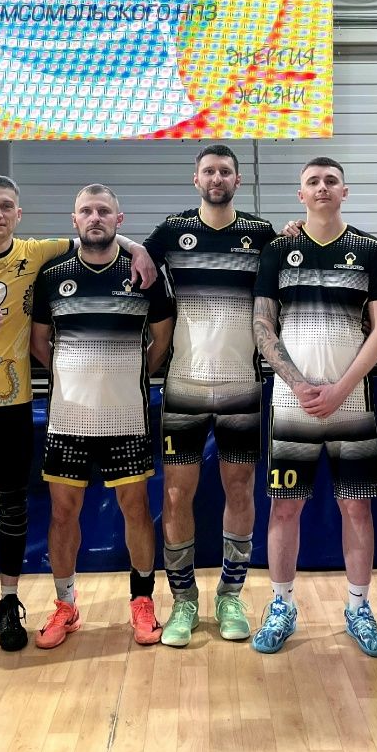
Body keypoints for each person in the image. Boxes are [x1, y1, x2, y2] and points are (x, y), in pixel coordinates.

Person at [0, 175, 155, 653]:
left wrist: (137, 247)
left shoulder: (37, 254)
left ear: (18, 214)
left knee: (17, 510)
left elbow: (96, 237)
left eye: (6, 206)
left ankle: (15, 603)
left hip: (18, 408)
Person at [250, 157, 377, 657]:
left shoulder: (370, 250)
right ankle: (281, 605)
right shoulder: (278, 249)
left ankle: (358, 607)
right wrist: (297, 384)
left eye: (331, 180)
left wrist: (340, 388)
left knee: (356, 506)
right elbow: (262, 325)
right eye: (312, 181)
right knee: (284, 506)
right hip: (292, 404)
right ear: (301, 194)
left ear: (344, 191)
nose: (322, 187)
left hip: (351, 402)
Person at [28, 184, 175, 649]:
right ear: (74, 221)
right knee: (62, 513)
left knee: (136, 509)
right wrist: (72, 375)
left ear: (119, 220)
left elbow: (162, 337)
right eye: (87, 211)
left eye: (104, 211)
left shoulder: (143, 273)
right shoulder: (53, 274)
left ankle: (142, 601)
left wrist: (129, 374)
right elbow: (38, 342)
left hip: (126, 417)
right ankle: (66, 606)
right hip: (68, 419)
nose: (95, 218)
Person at [142, 144, 276, 646]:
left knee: (240, 490)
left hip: (242, 384)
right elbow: (128, 254)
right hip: (184, 385)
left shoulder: (261, 233)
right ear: (195, 179)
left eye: (224, 171)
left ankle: (230, 595)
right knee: (177, 494)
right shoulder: (172, 231)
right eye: (208, 171)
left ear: (238, 180)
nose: (216, 178)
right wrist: (130, 244)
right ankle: (183, 601)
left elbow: (302, 253)